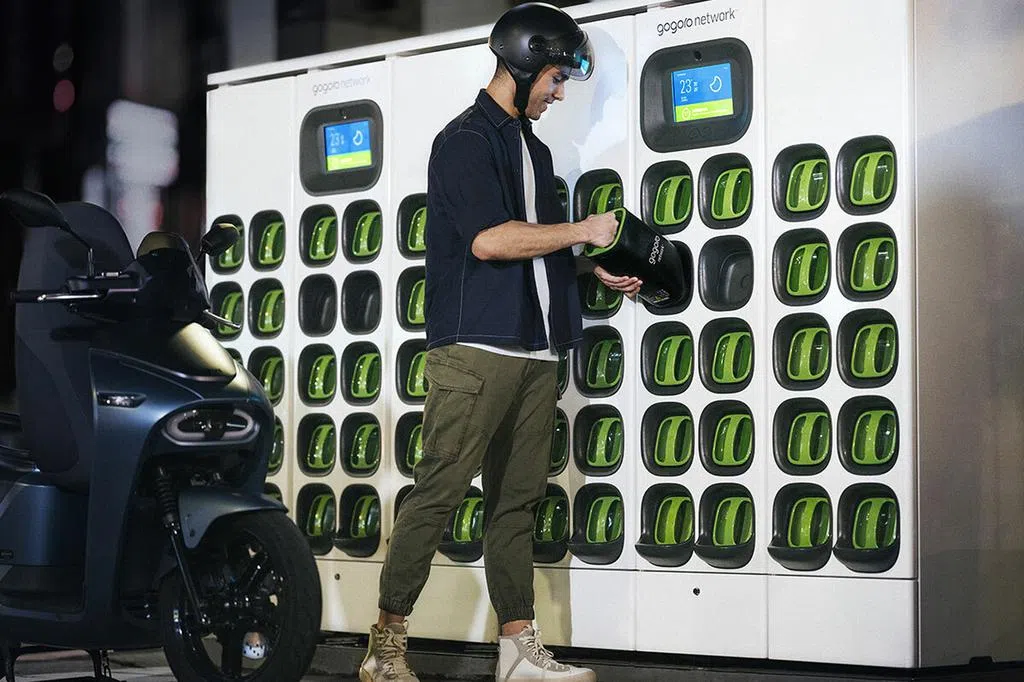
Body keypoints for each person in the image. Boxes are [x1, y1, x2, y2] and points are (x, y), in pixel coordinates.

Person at [360, 4, 641, 681]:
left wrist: (589, 266)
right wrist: (583, 230)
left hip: (537, 350)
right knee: (439, 492)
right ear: (522, 65)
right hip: (477, 351)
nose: (559, 93)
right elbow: (490, 241)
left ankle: (517, 652)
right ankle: (385, 649)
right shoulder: (464, 140)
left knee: (516, 504)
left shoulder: (534, 150)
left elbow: (532, 246)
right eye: (555, 78)